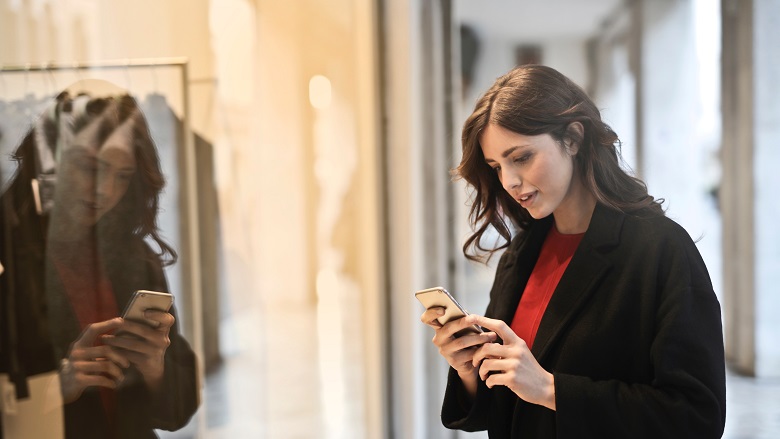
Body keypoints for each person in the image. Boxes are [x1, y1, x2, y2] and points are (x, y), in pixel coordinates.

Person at [421, 65, 726, 438]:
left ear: (573, 138)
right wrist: (470, 368)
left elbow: (696, 417)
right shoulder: (522, 253)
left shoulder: (659, 249)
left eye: (521, 158)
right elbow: (505, 402)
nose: (509, 181)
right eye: (496, 166)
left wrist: (552, 390)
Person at [0, 84, 199, 438]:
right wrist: (57, 386)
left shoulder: (134, 256)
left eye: (122, 176)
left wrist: (155, 368)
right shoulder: (9, 256)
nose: (103, 190)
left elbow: (178, 410)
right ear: (48, 162)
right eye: (88, 167)